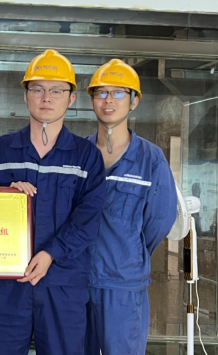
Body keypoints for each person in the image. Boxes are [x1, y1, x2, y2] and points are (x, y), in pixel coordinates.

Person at [0, 49, 106, 354]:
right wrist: (4, 196)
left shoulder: (86, 157)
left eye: (57, 90)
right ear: (25, 95)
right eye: (38, 89)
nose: (46, 98)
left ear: (71, 98)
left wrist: (51, 254)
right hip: (7, 283)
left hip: (63, 284)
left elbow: (88, 218)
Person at [85, 59, 177, 354]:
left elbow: (159, 220)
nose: (109, 100)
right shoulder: (79, 155)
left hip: (123, 287)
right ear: (91, 100)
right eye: (101, 92)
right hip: (77, 282)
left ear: (134, 101)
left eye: (119, 93)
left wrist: (129, 252)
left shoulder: (151, 159)